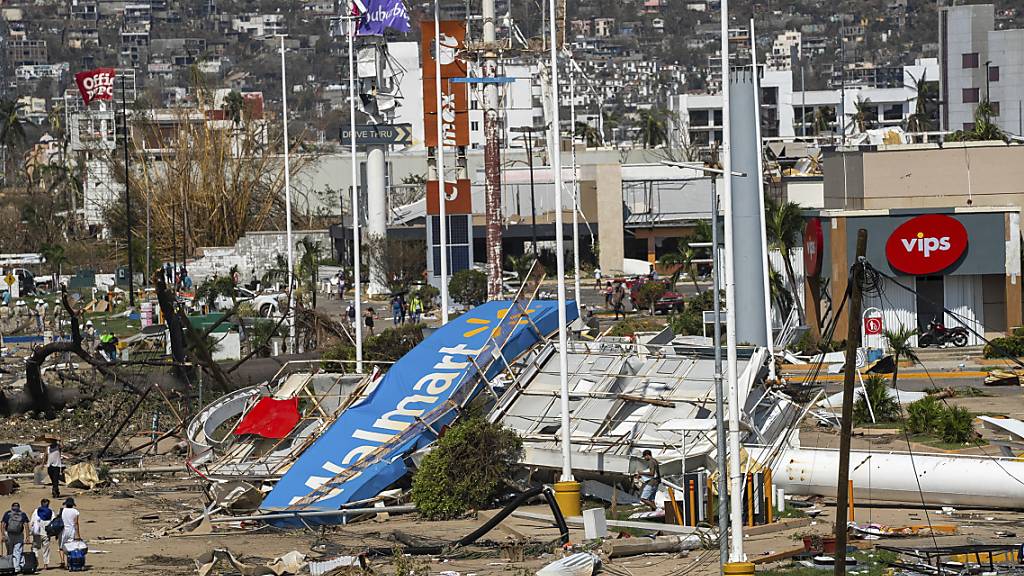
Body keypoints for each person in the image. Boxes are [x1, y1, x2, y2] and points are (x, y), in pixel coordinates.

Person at [3, 502, 29, 572]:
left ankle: (10, 566)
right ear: (19, 507)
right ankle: (17, 568)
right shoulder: (22, 514)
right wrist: (27, 536)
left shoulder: (8, 514)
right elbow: (26, 525)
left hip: (9, 534)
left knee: (10, 551)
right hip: (19, 535)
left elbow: (3, 524)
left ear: (11, 507)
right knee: (18, 551)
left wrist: (2, 534)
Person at [30, 498, 53, 570]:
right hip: (46, 533)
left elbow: (31, 522)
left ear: (41, 504)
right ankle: (46, 564)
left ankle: (35, 563)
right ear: (48, 504)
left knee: (35, 548)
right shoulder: (51, 512)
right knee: (46, 549)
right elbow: (53, 523)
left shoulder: (36, 511)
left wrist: (30, 532)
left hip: (37, 533)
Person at [58, 498, 80, 569]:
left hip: (63, 530)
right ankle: (69, 562)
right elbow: (76, 523)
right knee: (70, 547)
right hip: (72, 530)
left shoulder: (62, 510)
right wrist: (78, 534)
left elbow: (59, 520)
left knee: (61, 547)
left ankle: (62, 561)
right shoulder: (75, 511)